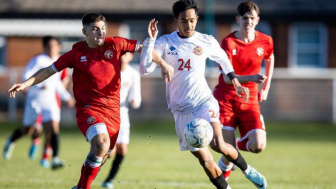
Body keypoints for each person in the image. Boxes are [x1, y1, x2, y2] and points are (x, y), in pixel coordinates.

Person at [7, 12, 172, 189]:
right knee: (101, 144)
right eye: (95, 29)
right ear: (85, 32)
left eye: (102, 29)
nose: (100, 33)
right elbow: (49, 70)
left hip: (114, 113)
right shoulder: (76, 54)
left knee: (104, 153)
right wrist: (25, 84)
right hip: (89, 110)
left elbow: (145, 48)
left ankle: (79, 186)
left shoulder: (115, 44)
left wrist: (163, 64)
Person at [140, 0, 267, 189]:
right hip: (181, 111)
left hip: (203, 102)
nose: (189, 25)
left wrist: (236, 82)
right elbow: (145, 68)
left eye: (192, 20)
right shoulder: (165, 42)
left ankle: (248, 170)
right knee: (206, 160)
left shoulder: (205, 40)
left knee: (218, 143)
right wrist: (151, 42)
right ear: (176, 21)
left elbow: (223, 59)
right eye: (184, 20)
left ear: (197, 19)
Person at [213, 1, 274, 181]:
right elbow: (225, 77)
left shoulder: (266, 40)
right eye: (245, 18)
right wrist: (251, 78)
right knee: (229, 152)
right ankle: (222, 179)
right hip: (226, 99)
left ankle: (235, 145)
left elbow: (270, 57)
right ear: (238, 19)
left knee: (259, 146)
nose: (248, 21)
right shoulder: (229, 43)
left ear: (257, 20)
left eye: (252, 18)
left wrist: (266, 87)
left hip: (250, 101)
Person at [3, 36, 74, 170]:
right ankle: (10, 141)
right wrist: (37, 86)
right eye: (49, 46)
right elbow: (26, 76)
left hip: (50, 101)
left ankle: (55, 159)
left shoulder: (59, 62)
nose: (51, 48)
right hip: (35, 100)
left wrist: (67, 97)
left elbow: (57, 83)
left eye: (54, 46)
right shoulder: (38, 60)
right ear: (44, 47)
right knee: (28, 130)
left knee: (53, 128)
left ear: (59, 47)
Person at [102, 52, 142, 188]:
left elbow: (136, 96)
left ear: (131, 57)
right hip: (107, 114)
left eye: (127, 54)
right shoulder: (109, 70)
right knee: (109, 151)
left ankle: (108, 180)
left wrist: (135, 101)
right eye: (121, 54)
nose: (123, 57)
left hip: (123, 114)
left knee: (122, 150)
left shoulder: (133, 74)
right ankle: (90, 172)